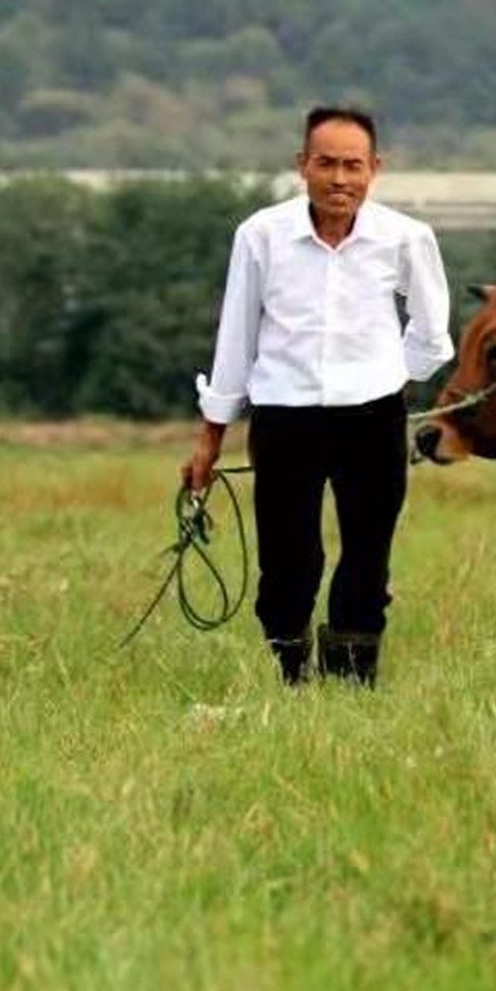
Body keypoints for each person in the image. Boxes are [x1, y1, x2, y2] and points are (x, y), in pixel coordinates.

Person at [181, 106, 453, 685]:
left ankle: (354, 680)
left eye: (352, 165)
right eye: (325, 163)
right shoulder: (261, 236)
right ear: (301, 165)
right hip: (284, 420)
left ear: (374, 170)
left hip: (373, 421)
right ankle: (289, 672)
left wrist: (387, 378)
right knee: (289, 562)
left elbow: (432, 334)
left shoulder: (406, 238)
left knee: (366, 557)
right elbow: (236, 341)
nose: (339, 179)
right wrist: (210, 441)